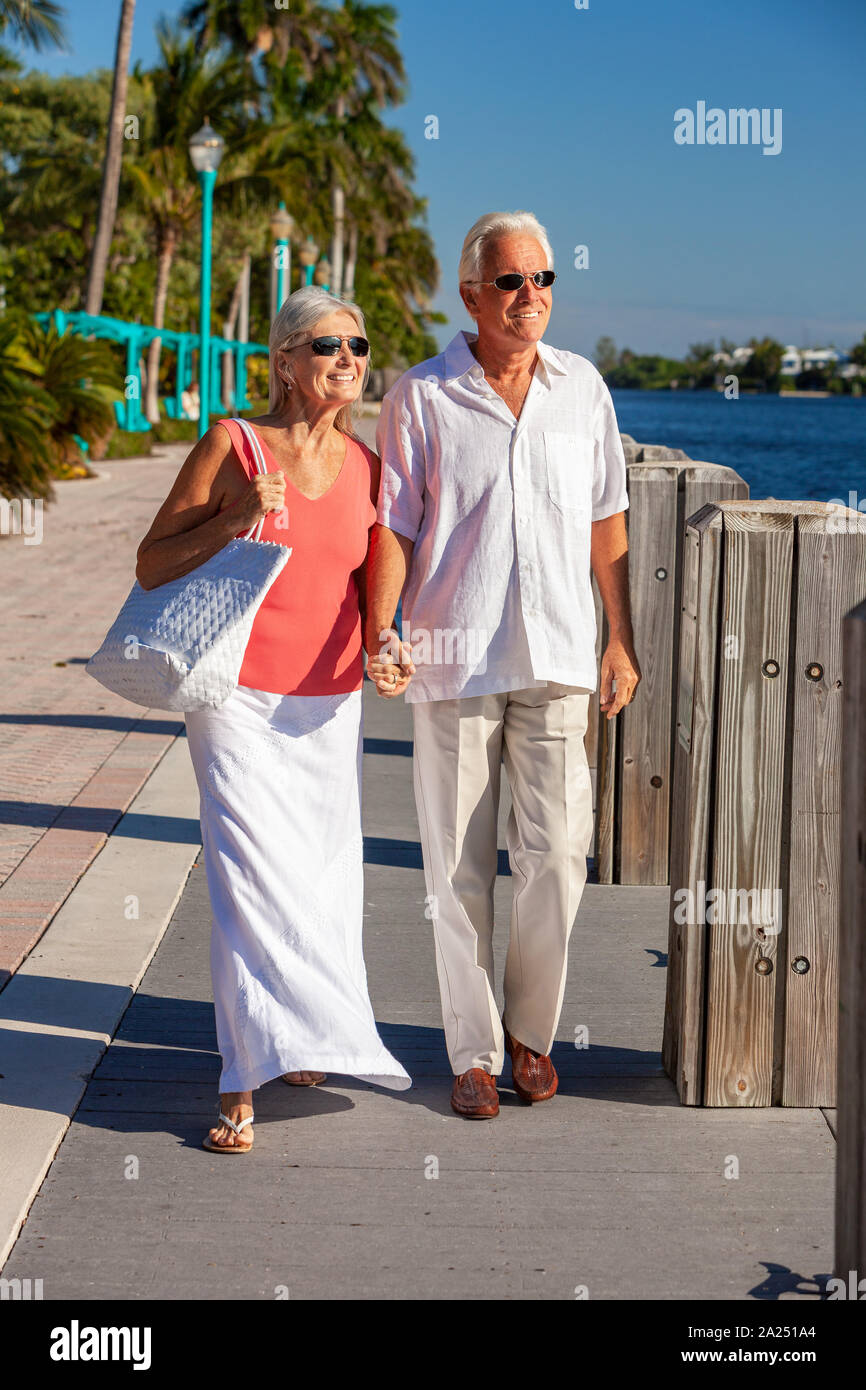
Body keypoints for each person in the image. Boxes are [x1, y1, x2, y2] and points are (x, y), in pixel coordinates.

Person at [366, 210, 641, 1119]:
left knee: (560, 854)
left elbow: (608, 523)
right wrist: (387, 626)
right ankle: (473, 1052)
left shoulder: (584, 390)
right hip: (456, 652)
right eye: (513, 282)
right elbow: (395, 526)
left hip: (562, 649)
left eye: (545, 280)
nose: (533, 297)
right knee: (456, 868)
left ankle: (531, 1034)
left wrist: (621, 636)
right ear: (473, 295)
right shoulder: (422, 396)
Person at [136, 286, 411, 1153]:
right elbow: (150, 564)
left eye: (359, 348)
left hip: (330, 702)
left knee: (326, 880)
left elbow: (370, 578)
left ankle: (303, 1036)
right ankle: (238, 1080)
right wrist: (236, 517)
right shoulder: (233, 442)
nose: (348, 361)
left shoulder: (367, 466)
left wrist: (384, 645)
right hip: (239, 699)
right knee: (249, 882)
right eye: (329, 345)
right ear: (285, 361)